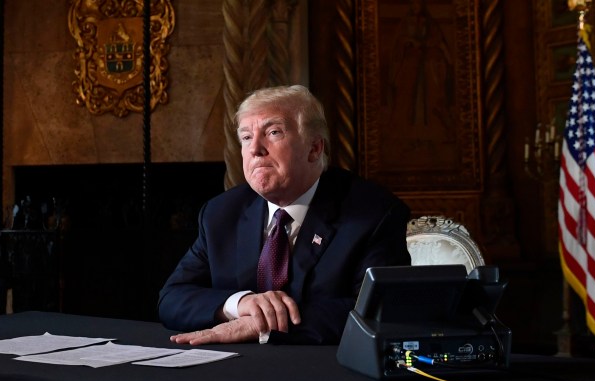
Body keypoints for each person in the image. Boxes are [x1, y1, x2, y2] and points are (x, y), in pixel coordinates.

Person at [158, 85, 411, 345]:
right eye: (246, 137)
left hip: (320, 365)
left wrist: (262, 325)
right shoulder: (221, 213)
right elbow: (171, 298)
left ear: (314, 148)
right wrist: (239, 303)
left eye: (273, 132)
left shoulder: (373, 214)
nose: (255, 149)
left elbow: (377, 311)